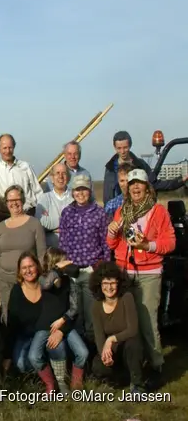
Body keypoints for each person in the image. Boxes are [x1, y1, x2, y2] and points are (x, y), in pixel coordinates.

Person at [106, 168, 176, 387]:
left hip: (149, 273)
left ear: (147, 188)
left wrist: (147, 245)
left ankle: (156, 366)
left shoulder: (158, 212)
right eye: (132, 184)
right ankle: (131, 366)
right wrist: (111, 232)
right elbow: (113, 244)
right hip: (125, 272)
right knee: (124, 322)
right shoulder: (121, 211)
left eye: (140, 184)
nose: (135, 187)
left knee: (147, 322)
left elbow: (170, 243)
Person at [2, 253, 70, 394]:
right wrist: (7, 356)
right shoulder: (16, 290)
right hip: (25, 336)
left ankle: (59, 381)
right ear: (19, 271)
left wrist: (61, 330)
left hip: (48, 333)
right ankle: (43, 375)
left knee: (58, 347)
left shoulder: (47, 285)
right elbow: (11, 324)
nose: (28, 271)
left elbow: (65, 309)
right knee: (21, 364)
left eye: (31, 266)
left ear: (37, 267)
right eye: (24, 268)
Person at [58, 174, 109, 340]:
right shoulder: (66, 213)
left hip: (91, 270)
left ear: (90, 190)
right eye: (77, 189)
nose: (81, 193)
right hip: (72, 271)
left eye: (84, 189)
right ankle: (78, 358)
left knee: (92, 314)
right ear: (72, 192)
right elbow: (63, 242)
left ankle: (94, 353)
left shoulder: (99, 213)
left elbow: (105, 243)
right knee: (74, 313)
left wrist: (104, 269)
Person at [89, 261, 145, 393]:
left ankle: (137, 385)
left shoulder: (126, 297)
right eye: (105, 283)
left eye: (112, 283)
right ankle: (117, 379)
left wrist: (112, 339)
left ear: (119, 283)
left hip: (128, 345)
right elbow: (99, 336)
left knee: (133, 343)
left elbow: (133, 329)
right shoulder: (96, 306)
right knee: (98, 365)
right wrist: (104, 353)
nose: (109, 287)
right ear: (99, 285)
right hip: (113, 349)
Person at [38, 248, 89, 392]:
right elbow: (46, 285)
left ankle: (76, 383)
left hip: (65, 324)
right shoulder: (43, 278)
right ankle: (60, 383)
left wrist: (63, 321)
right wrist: (57, 270)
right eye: (63, 261)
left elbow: (74, 308)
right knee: (57, 348)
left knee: (83, 353)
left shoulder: (68, 282)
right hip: (47, 327)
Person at [0, 185, 46, 321]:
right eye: (10, 200)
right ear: (6, 203)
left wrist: (39, 279)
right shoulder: (0, 227)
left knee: (27, 319)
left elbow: (41, 254)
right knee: (8, 318)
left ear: (22, 200)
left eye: (17, 199)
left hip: (26, 281)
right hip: (4, 281)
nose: (14, 203)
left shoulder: (34, 224)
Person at [103, 130, 187, 204]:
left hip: (139, 211)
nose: (122, 151)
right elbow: (107, 197)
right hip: (118, 213)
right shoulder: (110, 168)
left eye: (125, 147)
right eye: (119, 148)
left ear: (130, 146)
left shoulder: (141, 165)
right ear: (114, 147)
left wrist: (180, 181)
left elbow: (155, 184)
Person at [0, 134, 44, 214]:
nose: (7, 151)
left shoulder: (25, 166)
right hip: (6, 215)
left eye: (10, 148)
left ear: (14, 147)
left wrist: (42, 210)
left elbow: (38, 191)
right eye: (4, 148)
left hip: (28, 213)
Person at [35, 162, 73, 248]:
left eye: (64, 173)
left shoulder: (75, 198)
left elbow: (80, 224)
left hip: (72, 250)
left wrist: (52, 228)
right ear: (52, 178)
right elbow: (41, 223)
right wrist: (67, 223)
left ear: (68, 178)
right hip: (51, 250)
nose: (60, 176)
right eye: (57, 173)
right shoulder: (44, 199)